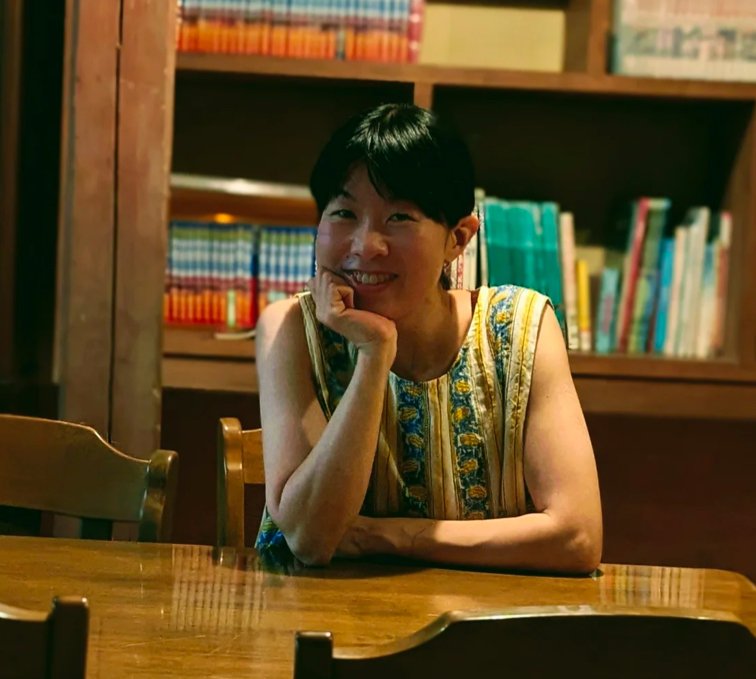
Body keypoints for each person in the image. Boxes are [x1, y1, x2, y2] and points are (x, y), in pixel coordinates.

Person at [254, 103, 602, 574]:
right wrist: (374, 354)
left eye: (399, 217)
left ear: (458, 239)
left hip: (478, 615)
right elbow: (311, 539)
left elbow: (577, 537)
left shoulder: (521, 328)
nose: (365, 245)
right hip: (314, 616)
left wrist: (383, 536)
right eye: (344, 213)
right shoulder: (292, 327)